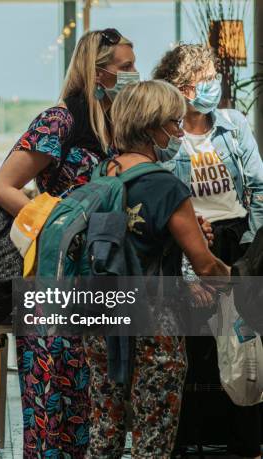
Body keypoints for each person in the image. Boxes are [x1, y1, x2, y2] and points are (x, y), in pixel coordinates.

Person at [0, 28, 138, 457]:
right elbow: (4, 186)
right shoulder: (60, 121)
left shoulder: (117, 125)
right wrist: (60, 222)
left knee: (98, 408)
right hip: (53, 278)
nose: (133, 74)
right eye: (125, 67)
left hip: (101, 280)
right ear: (98, 71)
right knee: (52, 408)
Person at [83, 80, 230, 458]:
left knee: (105, 428)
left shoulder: (103, 174)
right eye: (174, 124)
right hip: (154, 322)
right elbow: (206, 265)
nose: (180, 133)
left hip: (101, 318)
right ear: (152, 128)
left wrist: (182, 229)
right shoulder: (165, 185)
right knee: (153, 435)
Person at [154, 44, 263, 459]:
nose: (214, 82)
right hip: (193, 242)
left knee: (245, 341)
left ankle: (246, 443)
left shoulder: (233, 125)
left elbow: (257, 189)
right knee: (195, 348)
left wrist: (250, 251)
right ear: (183, 87)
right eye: (207, 75)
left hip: (239, 242)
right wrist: (187, 267)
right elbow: (168, 207)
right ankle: (189, 441)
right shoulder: (167, 136)